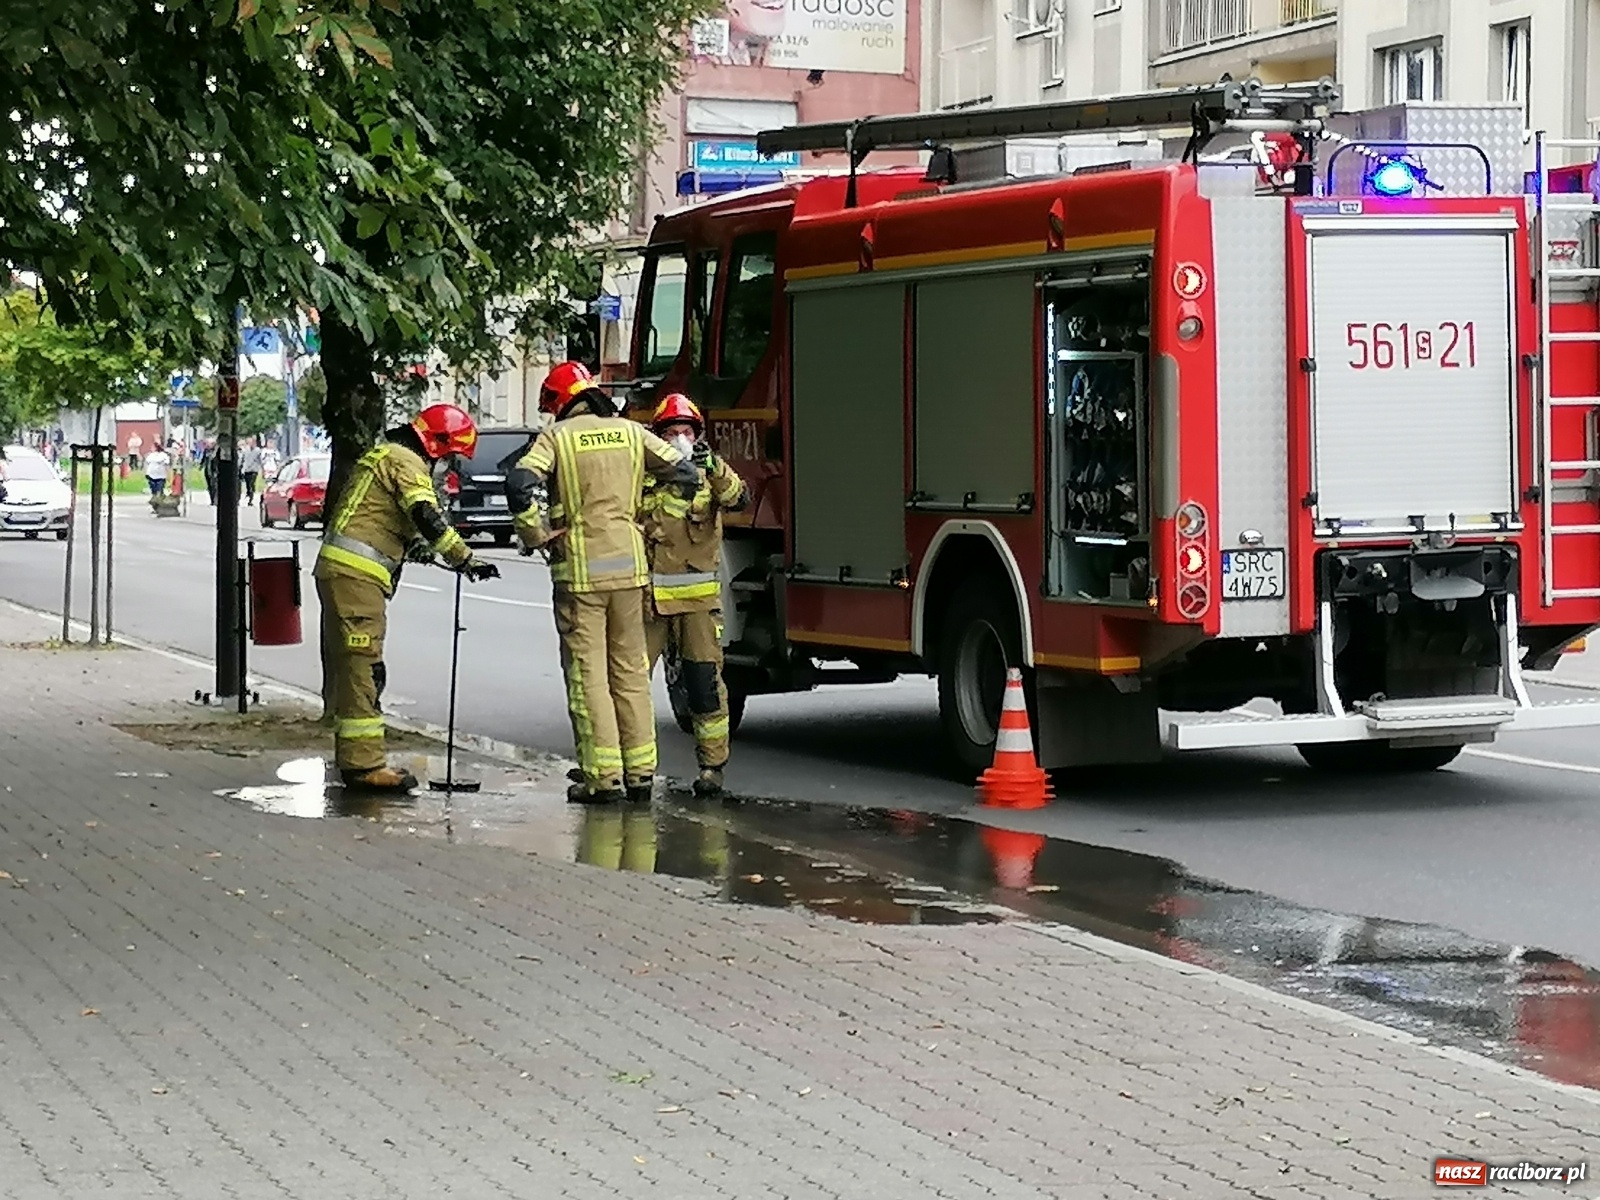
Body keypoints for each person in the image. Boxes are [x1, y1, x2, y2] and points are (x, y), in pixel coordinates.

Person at [505, 361, 696, 805]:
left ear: (560, 401)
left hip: (580, 575)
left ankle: (603, 778)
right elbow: (686, 475)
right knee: (630, 673)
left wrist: (535, 535)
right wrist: (656, 523)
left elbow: (520, 484)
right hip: (630, 571)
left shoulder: (556, 438)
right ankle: (641, 774)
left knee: (588, 676)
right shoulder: (631, 433)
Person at [314, 404, 500, 791]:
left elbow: (382, 515)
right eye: (448, 458)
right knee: (365, 670)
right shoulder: (406, 462)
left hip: (343, 572)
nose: (446, 468)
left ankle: (355, 759)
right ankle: (365, 767)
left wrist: (414, 548)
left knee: (354, 669)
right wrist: (464, 558)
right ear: (436, 445)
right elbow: (424, 514)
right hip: (357, 578)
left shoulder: (385, 454)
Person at [639, 394, 749, 797]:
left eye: (686, 431)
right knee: (630, 683)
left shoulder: (710, 473)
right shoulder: (642, 475)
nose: (680, 438)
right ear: (658, 437)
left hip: (697, 605)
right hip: (648, 601)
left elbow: (740, 499)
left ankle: (712, 768)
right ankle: (629, 769)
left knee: (704, 685)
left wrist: (714, 468)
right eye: (671, 431)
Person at [239, 438, 263, 503]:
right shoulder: (245, 450)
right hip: (247, 469)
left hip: (254, 469)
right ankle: (249, 493)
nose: (251, 444)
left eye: (252, 442)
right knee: (248, 484)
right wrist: (241, 467)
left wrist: (261, 467)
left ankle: (251, 499)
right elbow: (242, 459)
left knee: (252, 483)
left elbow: (260, 460)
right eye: (249, 443)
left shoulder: (258, 450)